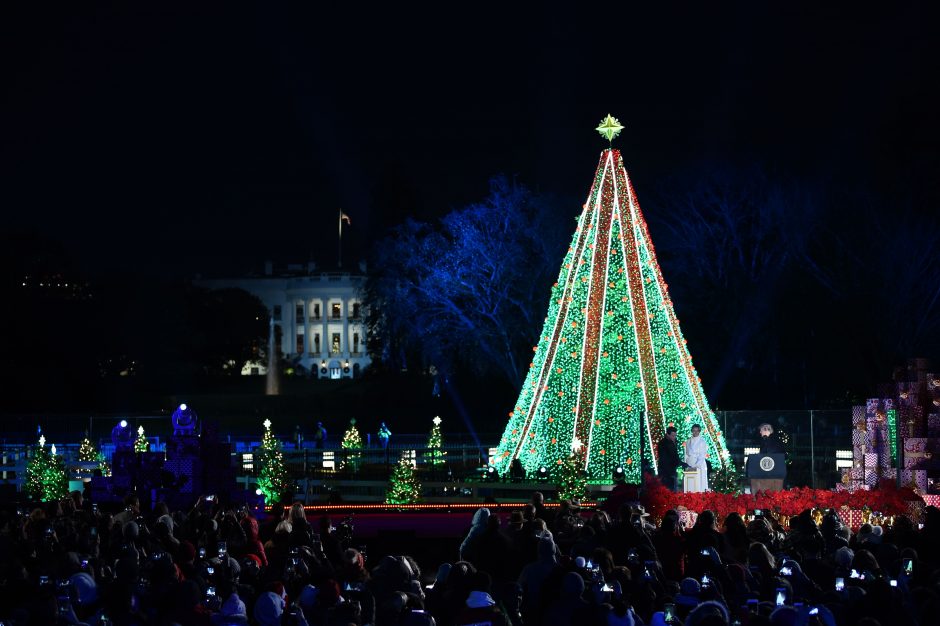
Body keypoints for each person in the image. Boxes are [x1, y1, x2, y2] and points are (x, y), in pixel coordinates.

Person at [684, 424, 708, 492]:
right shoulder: (688, 441)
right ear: (692, 431)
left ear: (699, 431)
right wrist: (687, 464)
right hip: (690, 463)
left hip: (699, 464)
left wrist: (696, 465)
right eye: (694, 430)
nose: (695, 432)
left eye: (697, 431)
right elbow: (686, 454)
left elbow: (702, 455)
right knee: (690, 482)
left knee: (699, 482)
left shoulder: (702, 441)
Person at [657, 426, 682, 491]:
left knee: (672, 489)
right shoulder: (664, 443)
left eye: (675, 435)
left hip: (671, 470)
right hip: (666, 471)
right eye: (672, 435)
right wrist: (679, 463)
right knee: (668, 489)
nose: (674, 437)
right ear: (667, 434)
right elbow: (670, 456)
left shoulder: (673, 442)